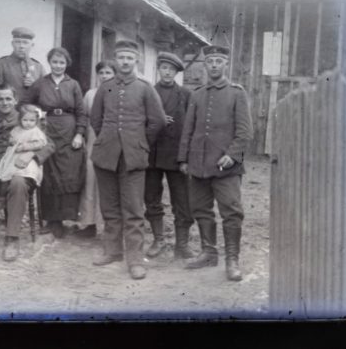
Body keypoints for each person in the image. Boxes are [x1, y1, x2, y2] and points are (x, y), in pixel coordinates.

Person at [90, 40, 166, 280]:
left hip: (133, 157)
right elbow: (96, 118)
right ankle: (112, 251)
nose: (125, 62)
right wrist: (107, 138)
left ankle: (135, 259)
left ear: (136, 60)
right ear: (116, 59)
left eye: (129, 58)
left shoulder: (145, 88)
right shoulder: (106, 87)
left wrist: (141, 142)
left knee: (133, 209)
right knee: (109, 207)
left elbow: (158, 121)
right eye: (121, 57)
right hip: (106, 155)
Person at [178, 45, 253, 281]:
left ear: (225, 64)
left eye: (218, 61)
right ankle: (209, 252)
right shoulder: (197, 94)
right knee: (200, 209)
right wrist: (183, 158)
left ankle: (232, 259)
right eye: (210, 61)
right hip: (198, 163)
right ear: (205, 64)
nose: (213, 65)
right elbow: (188, 129)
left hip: (226, 166)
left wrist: (231, 155)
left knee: (231, 212)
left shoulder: (237, 93)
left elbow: (245, 132)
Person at [0, 85, 55, 261]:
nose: (5, 102)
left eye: (8, 99)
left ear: (15, 100)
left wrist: (32, 155)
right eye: (0, 99)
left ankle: (12, 239)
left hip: (19, 166)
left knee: (18, 182)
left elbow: (49, 144)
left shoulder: (26, 118)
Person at [25, 47, 87, 238]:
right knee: (49, 174)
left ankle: (67, 217)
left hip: (69, 131)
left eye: (61, 62)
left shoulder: (73, 84)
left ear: (66, 64)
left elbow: (81, 112)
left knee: (68, 173)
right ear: (49, 63)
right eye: (54, 62)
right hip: (47, 130)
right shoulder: (41, 84)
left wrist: (79, 134)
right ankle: (52, 221)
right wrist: (37, 115)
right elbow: (26, 104)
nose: (58, 66)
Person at [144, 52, 195, 259]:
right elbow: (138, 119)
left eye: (172, 70)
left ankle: (181, 244)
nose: (167, 72)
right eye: (164, 68)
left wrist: (186, 156)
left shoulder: (185, 94)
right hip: (152, 154)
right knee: (151, 198)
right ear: (159, 69)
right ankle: (158, 240)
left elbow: (191, 125)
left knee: (182, 200)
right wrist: (156, 119)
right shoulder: (148, 91)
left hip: (176, 155)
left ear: (176, 73)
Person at [75, 60, 117, 238]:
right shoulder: (90, 94)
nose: (105, 76)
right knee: (90, 181)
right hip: (93, 140)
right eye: (102, 73)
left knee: (109, 184)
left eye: (108, 73)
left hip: (112, 141)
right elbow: (83, 117)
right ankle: (89, 223)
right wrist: (81, 135)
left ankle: (110, 226)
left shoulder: (118, 93)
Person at [0, 27, 45, 104]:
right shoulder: (1, 65)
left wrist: (35, 85)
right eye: (18, 42)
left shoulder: (39, 67)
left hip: (31, 113)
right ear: (12, 44)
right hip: (8, 113)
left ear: (32, 45)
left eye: (25, 42)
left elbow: (47, 96)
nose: (21, 46)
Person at [0, 104, 48, 186]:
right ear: (20, 119)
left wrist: (25, 146)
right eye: (25, 120)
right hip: (14, 155)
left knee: (23, 172)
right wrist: (12, 141)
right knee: (10, 172)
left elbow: (40, 143)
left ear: (36, 121)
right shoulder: (17, 129)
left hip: (26, 157)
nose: (28, 123)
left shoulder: (36, 131)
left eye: (32, 120)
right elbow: (12, 138)